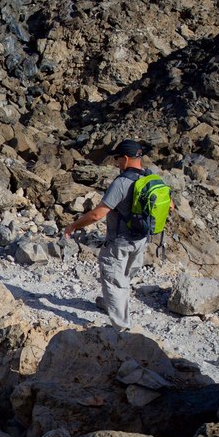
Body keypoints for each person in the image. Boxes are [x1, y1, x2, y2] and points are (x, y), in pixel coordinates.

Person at [62, 140, 154, 330]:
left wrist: (73, 225)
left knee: (113, 280)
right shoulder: (150, 179)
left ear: (126, 158)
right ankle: (112, 304)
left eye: (117, 158)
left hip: (119, 242)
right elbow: (170, 206)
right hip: (141, 240)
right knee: (125, 276)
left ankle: (122, 327)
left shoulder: (121, 183)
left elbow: (97, 214)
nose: (115, 162)